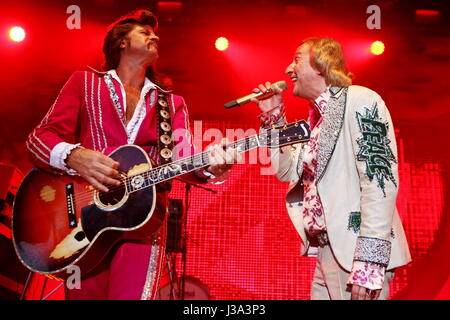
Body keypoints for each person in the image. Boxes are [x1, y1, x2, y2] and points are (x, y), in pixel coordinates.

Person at [26, 9, 238, 300]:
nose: (156, 36)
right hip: (84, 220)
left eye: (155, 34)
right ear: (121, 42)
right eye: (144, 32)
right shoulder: (84, 83)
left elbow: (182, 157)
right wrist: (74, 157)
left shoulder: (170, 102)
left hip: (142, 223)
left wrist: (210, 165)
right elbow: (39, 139)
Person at [252, 37, 411, 300]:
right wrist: (274, 118)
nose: (287, 69)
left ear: (320, 64)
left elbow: (379, 180)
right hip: (329, 253)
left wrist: (369, 261)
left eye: (297, 59)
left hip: (355, 254)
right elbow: (286, 172)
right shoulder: (316, 119)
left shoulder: (361, 99)